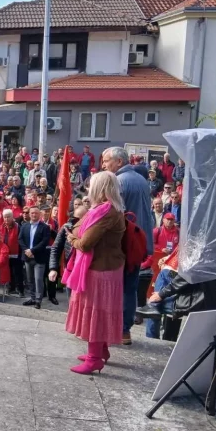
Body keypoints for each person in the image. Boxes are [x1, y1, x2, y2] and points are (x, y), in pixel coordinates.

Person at [64, 171, 127, 374]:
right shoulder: (108, 209)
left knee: (96, 313)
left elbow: (85, 243)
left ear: (100, 188)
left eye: (92, 185)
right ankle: (101, 351)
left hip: (101, 270)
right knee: (99, 312)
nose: (88, 189)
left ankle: (94, 359)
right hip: (105, 267)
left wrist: (71, 239)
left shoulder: (106, 211)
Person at [102, 146, 154, 345]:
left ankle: (117, 328)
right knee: (130, 287)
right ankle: (125, 330)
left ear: (119, 162)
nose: (104, 165)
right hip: (139, 241)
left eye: (106, 161)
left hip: (124, 242)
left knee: (118, 286)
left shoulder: (118, 181)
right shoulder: (141, 179)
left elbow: (113, 214)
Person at [48, 205, 88, 303]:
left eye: (83, 218)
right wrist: (53, 268)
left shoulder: (91, 229)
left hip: (86, 272)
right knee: (72, 302)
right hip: (71, 269)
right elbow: (55, 248)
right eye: (77, 218)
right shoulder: (67, 227)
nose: (79, 221)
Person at [18, 206, 51, 308]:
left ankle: (38, 300)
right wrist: (26, 250)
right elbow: (20, 239)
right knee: (30, 279)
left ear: (39, 214)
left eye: (36, 213)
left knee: (38, 279)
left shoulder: (45, 227)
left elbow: (44, 242)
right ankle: (32, 298)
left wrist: (32, 250)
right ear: (29, 214)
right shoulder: (24, 226)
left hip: (39, 258)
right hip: (27, 257)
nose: (34, 215)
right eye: (32, 213)